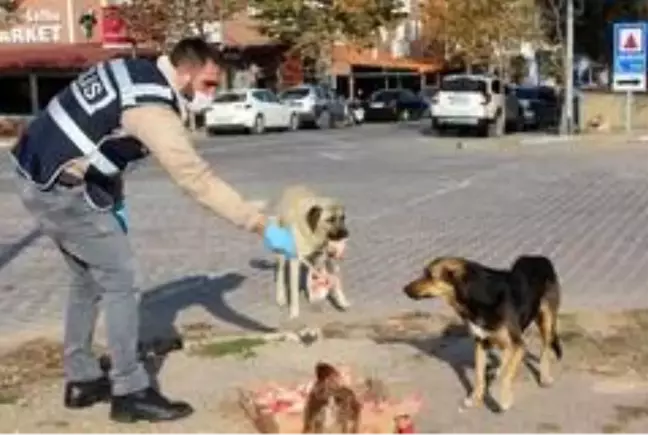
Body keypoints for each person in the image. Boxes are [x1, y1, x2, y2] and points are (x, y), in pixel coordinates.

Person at [9, 37, 297, 423]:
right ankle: (130, 390)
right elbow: (196, 179)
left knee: (87, 280)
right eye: (209, 85)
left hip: (38, 175)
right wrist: (261, 224)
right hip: (62, 192)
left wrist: (115, 201)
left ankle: (82, 381)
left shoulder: (132, 70)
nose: (210, 95)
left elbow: (102, 139)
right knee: (121, 280)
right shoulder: (153, 108)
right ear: (185, 72)